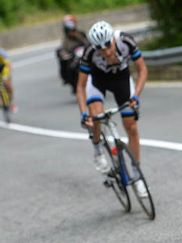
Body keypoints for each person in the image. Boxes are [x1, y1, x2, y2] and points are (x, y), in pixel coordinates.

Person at [76, 20, 149, 197]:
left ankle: (137, 176)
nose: (106, 51)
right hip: (98, 81)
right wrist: (84, 113)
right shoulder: (89, 53)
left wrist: (135, 96)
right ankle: (98, 149)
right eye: (101, 48)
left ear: (113, 39)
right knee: (96, 116)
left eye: (108, 45)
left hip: (121, 79)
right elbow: (80, 86)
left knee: (131, 126)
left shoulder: (126, 41)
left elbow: (142, 70)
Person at [56, 15, 90, 93]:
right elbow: (64, 49)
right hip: (73, 57)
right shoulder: (66, 40)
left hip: (83, 54)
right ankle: (68, 79)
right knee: (69, 66)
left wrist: (78, 36)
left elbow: (88, 43)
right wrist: (64, 54)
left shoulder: (81, 34)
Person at [0, 48, 17, 113]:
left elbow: (8, 64)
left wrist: (7, 75)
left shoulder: (1, 53)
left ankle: (11, 103)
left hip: (4, 71)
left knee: (8, 87)